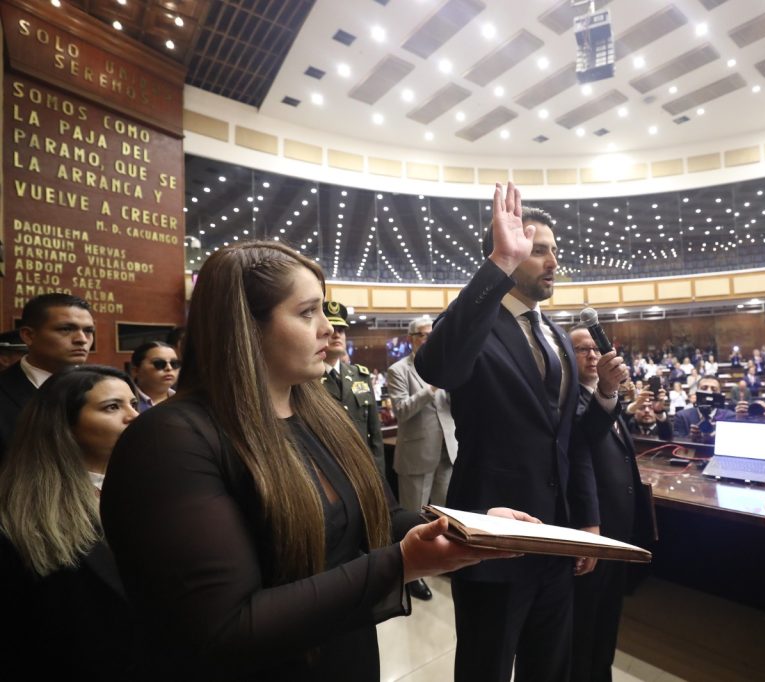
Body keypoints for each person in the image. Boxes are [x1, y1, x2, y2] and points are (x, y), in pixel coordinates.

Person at [100, 241, 522, 681]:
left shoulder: (318, 413)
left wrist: (465, 528)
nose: (328, 330)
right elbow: (224, 626)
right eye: (307, 313)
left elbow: (377, 516)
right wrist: (401, 563)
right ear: (245, 327)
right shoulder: (172, 440)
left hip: (344, 654)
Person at [415, 183, 629, 682]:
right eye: (539, 251)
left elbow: (569, 441)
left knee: (549, 667)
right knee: (485, 667)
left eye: (555, 249)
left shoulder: (555, 334)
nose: (553, 260)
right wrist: (496, 266)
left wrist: (588, 523)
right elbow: (436, 365)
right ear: (510, 257)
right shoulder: (474, 326)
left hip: (555, 537)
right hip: (492, 534)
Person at [0, 366, 140, 678]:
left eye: (134, 404)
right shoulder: (20, 513)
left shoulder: (160, 487)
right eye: (112, 407)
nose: (134, 416)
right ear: (64, 424)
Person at [568, 326, 656, 681]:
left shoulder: (606, 397)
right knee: (585, 620)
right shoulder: (568, 398)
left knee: (607, 617)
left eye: (596, 348)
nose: (593, 355)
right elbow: (579, 449)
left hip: (618, 529)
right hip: (594, 530)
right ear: (565, 357)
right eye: (582, 350)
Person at [386, 316, 458, 601]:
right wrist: (431, 389)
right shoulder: (398, 370)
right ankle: (410, 575)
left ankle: (436, 563)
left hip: (446, 450)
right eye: (423, 335)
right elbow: (401, 411)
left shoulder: (445, 365)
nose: (429, 339)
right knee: (414, 518)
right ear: (412, 338)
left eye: (432, 334)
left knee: (440, 516)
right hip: (417, 454)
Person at [0, 293, 95, 459]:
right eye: (66, 329)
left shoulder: (106, 387)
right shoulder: (5, 390)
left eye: (88, 331)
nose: (82, 339)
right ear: (29, 335)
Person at [320, 300, 386, 479]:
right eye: (332, 329)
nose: (337, 335)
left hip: (363, 472)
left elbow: (375, 436)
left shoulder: (360, 376)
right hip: (327, 475)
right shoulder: (307, 380)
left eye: (341, 330)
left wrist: (378, 476)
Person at [674, 375, 736, 440]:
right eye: (704, 388)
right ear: (696, 392)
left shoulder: (730, 417)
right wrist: (690, 438)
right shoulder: (682, 417)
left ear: (719, 393)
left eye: (714, 389)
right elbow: (676, 444)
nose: (709, 391)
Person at [130, 341, 180, 412]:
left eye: (174, 363)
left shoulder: (186, 401)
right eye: (159, 363)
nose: (169, 368)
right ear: (136, 370)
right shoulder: (125, 402)